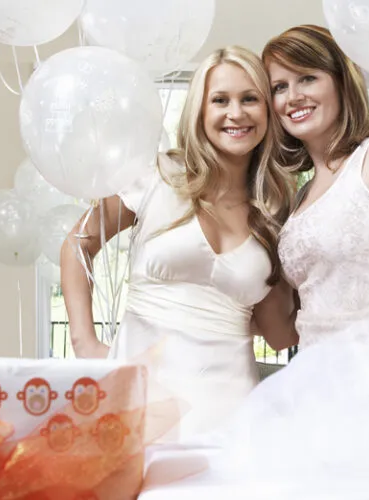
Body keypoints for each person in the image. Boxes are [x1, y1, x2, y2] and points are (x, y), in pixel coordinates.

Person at [138, 27, 369, 499]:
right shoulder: (299, 196)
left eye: (307, 78)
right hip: (313, 405)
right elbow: (292, 320)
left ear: (340, 81)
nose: (292, 97)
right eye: (278, 87)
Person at [60, 45, 298, 440]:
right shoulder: (158, 173)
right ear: (199, 111)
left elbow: (278, 333)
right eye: (220, 100)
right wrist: (85, 343)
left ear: (267, 111)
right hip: (138, 396)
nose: (236, 113)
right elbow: (77, 244)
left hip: (230, 410)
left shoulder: (275, 207)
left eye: (250, 99)